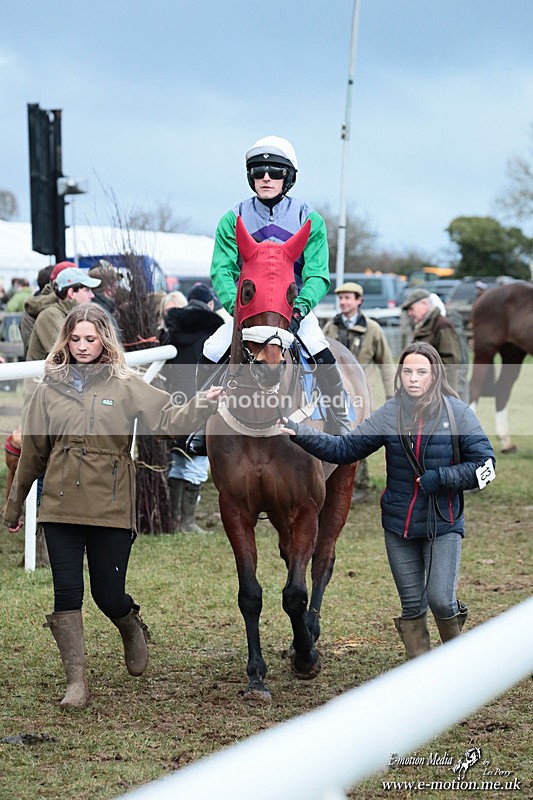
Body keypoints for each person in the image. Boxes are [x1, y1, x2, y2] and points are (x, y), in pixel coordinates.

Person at [3, 304, 224, 709]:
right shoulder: (46, 387)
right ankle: (76, 683)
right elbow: (32, 452)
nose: (83, 346)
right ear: (65, 341)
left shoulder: (128, 384)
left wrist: (204, 402)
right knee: (66, 593)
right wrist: (14, 506)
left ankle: (129, 624)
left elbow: (170, 421)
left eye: (90, 338)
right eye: (75, 339)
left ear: (104, 340)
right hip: (59, 503)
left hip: (110, 502)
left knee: (108, 594)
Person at [281, 342, 495, 659]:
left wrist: (443, 478)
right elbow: (344, 450)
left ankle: (456, 664)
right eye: (407, 371)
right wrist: (299, 432)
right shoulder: (390, 414)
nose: (413, 378)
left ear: (435, 375)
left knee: (440, 600)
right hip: (399, 527)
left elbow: (486, 467)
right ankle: (421, 671)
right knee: (411, 606)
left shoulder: (458, 414)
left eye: (421, 372)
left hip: (444, 522)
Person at [187, 134, 350, 456]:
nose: (266, 178)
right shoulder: (232, 219)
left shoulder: (310, 219)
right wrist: (237, 308)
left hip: (292, 309)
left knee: (318, 347)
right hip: (248, 312)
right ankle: (198, 420)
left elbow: (317, 273)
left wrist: (300, 310)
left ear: (287, 177)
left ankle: (339, 417)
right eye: (258, 172)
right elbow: (222, 271)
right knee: (213, 346)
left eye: (275, 172)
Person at [323, 281, 396, 502]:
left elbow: (386, 363)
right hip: (336, 392)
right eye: (341, 298)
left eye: (348, 298)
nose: (343, 302)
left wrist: (392, 395)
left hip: (363, 392)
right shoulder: (331, 327)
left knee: (362, 437)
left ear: (359, 301)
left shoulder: (373, 329)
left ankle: (361, 484)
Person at [161, 283, 224, 531]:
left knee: (177, 460)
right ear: (210, 304)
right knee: (197, 463)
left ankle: (174, 520)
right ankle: (187, 521)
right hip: (201, 402)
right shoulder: (215, 332)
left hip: (173, 401)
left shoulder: (172, 328)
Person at [402, 288, 462, 395]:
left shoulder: (441, 325)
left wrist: (440, 391)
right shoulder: (423, 326)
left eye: (411, 308)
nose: (410, 313)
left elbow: (450, 362)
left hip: (438, 392)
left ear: (424, 303)